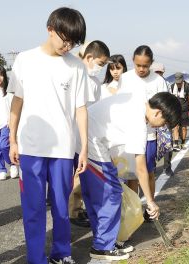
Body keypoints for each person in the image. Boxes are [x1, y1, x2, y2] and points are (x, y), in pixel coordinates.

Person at [8, 7, 88, 264]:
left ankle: (61, 253)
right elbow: (17, 103)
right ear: (50, 29)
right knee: (33, 209)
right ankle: (35, 258)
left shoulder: (76, 65)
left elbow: (80, 109)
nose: (69, 45)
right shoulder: (25, 59)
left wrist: (83, 147)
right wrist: (12, 139)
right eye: (65, 38)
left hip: (64, 149)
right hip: (30, 147)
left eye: (74, 41)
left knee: (62, 208)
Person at [78, 91, 180, 261]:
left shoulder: (138, 100)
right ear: (158, 113)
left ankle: (107, 241)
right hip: (90, 145)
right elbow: (141, 169)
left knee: (99, 195)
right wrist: (150, 201)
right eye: (164, 122)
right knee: (110, 195)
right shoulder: (138, 122)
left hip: (87, 141)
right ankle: (102, 247)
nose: (161, 127)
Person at [118, 46, 168, 222]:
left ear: (151, 64)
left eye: (145, 66)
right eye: (138, 65)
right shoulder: (124, 79)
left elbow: (164, 107)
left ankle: (149, 205)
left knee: (148, 172)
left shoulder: (158, 81)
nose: (141, 69)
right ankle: (133, 209)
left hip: (149, 135)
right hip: (128, 134)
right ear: (133, 61)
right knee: (131, 174)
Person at [68, 40, 110, 228]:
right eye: (100, 64)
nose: (100, 68)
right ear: (89, 57)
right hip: (74, 132)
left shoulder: (94, 81)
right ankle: (73, 212)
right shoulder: (75, 73)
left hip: (87, 134)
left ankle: (78, 209)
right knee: (75, 177)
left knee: (83, 175)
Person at [150, 62, 174, 177]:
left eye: (160, 72)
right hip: (150, 119)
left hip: (164, 118)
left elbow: (170, 101)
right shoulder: (147, 83)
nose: (158, 74)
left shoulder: (167, 84)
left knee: (167, 144)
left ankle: (167, 167)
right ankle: (152, 168)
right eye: (156, 72)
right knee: (151, 145)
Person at [170, 72, 189, 150]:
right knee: (175, 127)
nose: (179, 84)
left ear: (182, 80)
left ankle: (183, 143)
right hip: (175, 109)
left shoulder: (187, 86)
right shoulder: (172, 86)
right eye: (177, 82)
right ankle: (176, 143)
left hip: (184, 109)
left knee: (183, 127)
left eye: (180, 82)